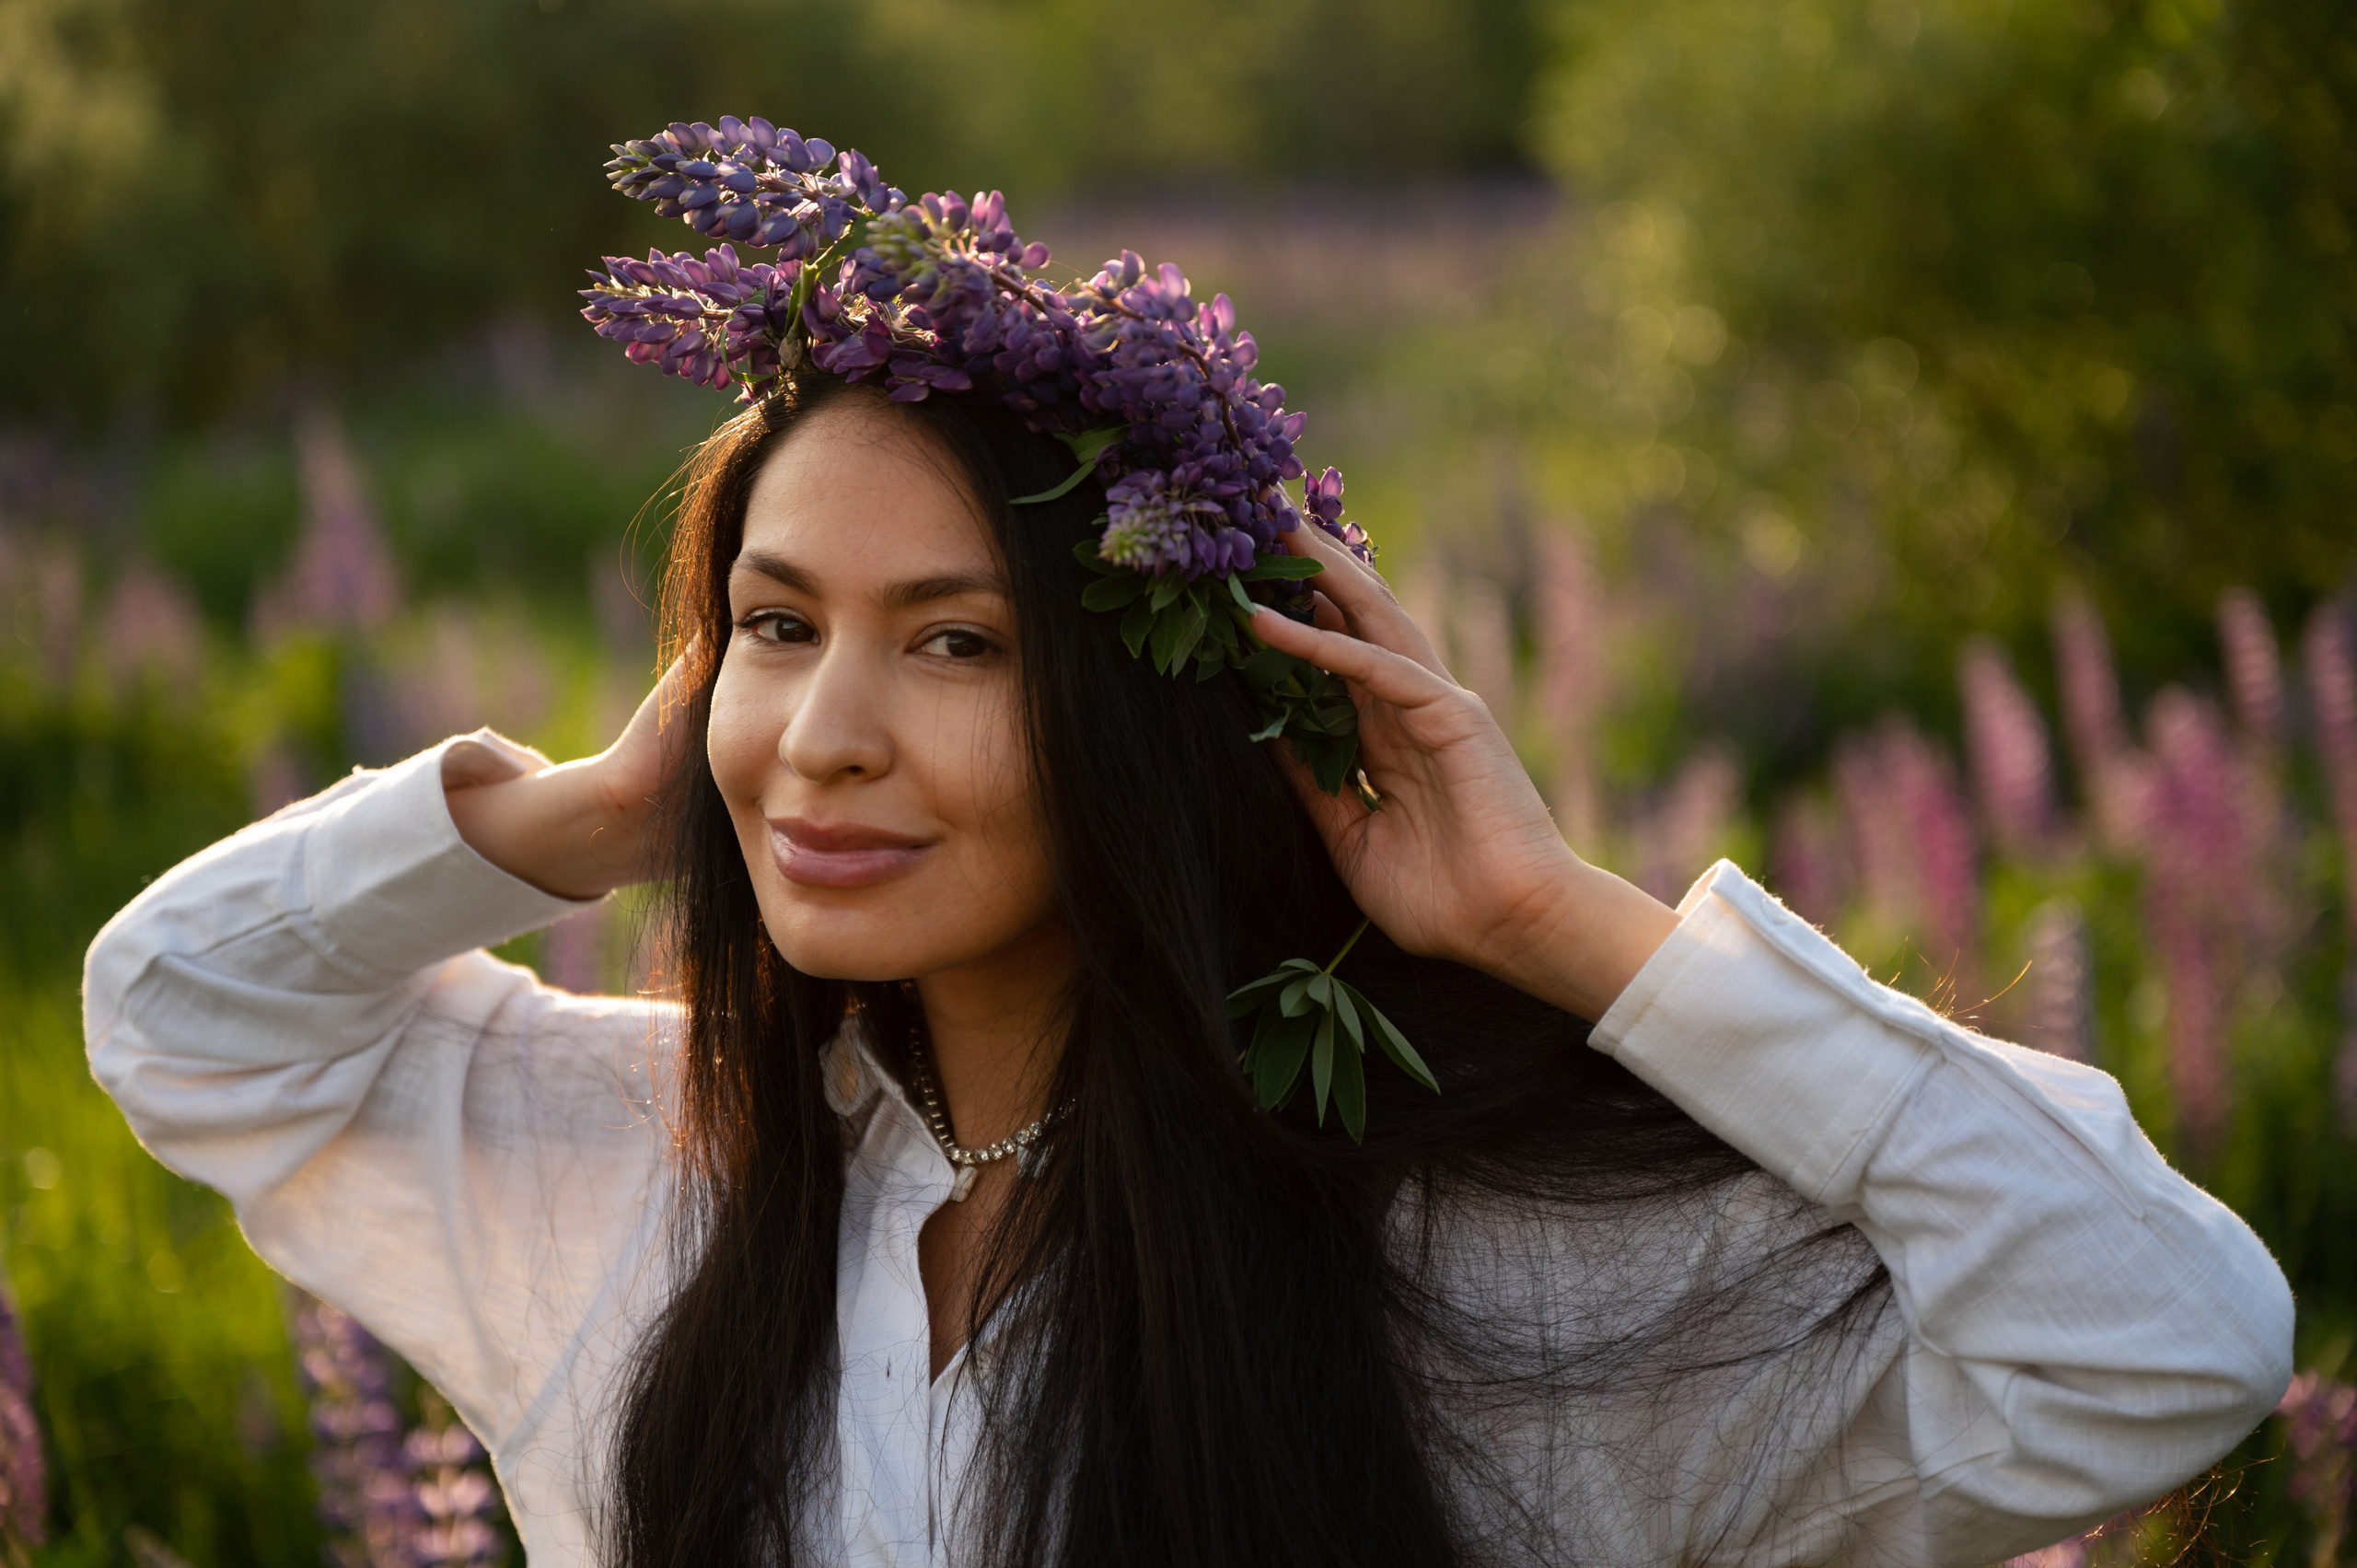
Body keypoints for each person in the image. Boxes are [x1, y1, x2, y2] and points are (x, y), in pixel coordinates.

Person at [86, 122, 2292, 1568]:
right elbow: (175, 1015)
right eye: (773, 629)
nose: (825, 736)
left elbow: (2159, 1339)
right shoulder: (644, 1168)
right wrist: (584, 811)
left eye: (953, 645)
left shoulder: (1472, 1268)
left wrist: (1551, 920)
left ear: (1157, 718)